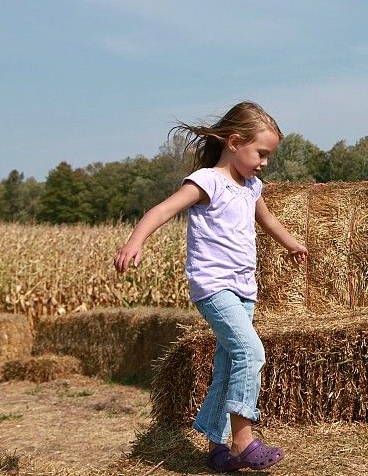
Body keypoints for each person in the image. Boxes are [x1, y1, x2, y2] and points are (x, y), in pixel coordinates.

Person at [114, 101, 308, 472]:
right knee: (251, 353)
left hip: (243, 288)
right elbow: (161, 210)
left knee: (227, 364)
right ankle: (243, 441)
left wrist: (292, 243)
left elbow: (266, 219)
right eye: (261, 153)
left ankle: (216, 446)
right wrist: (134, 242)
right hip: (213, 287)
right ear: (234, 141)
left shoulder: (251, 185)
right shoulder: (207, 181)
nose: (264, 162)